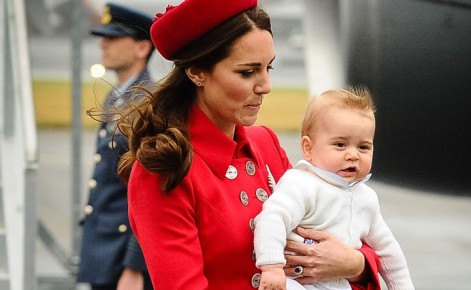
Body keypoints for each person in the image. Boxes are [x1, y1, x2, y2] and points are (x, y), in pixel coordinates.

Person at [116, 0, 381, 289]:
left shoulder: (264, 142)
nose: (265, 85)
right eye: (247, 72)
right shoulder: (165, 166)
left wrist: (356, 264)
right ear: (196, 72)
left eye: (269, 67)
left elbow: (328, 221)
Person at [254, 87, 415, 290]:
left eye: (363, 147)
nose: (353, 155)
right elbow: (272, 218)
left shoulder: (366, 198)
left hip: (339, 284)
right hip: (295, 281)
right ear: (308, 148)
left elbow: (387, 249)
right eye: (340, 144)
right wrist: (272, 267)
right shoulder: (301, 183)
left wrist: (403, 286)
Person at [77, 3, 155, 290]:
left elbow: (150, 191)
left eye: (113, 38)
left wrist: (135, 266)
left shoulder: (149, 103)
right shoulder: (117, 97)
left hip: (124, 256)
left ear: (141, 48)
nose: (104, 44)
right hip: (106, 247)